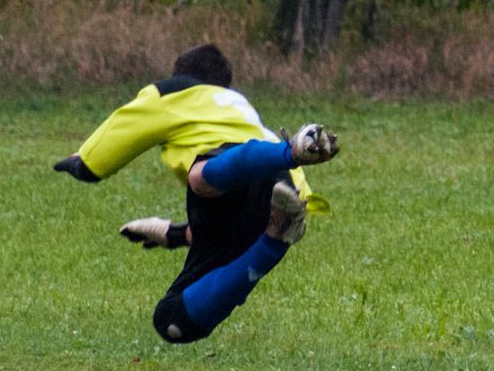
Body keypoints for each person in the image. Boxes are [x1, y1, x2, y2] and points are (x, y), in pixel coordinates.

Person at [53, 43, 338, 343]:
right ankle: (277, 231)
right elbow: (233, 219)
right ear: (224, 86)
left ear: (181, 75)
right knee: (173, 320)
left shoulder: (173, 92)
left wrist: (79, 163)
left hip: (241, 169)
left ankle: (286, 163)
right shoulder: (243, 109)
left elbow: (94, 165)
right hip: (280, 192)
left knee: (200, 177)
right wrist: (175, 234)